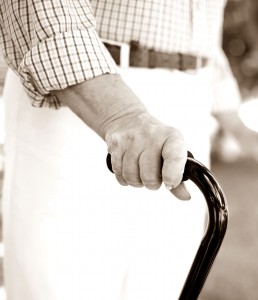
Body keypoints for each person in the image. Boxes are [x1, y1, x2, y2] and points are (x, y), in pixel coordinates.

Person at [0, 1, 235, 299]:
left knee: (161, 283)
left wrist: (235, 122)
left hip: (189, 93)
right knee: (66, 282)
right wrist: (121, 115)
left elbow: (203, 29)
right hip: (80, 84)